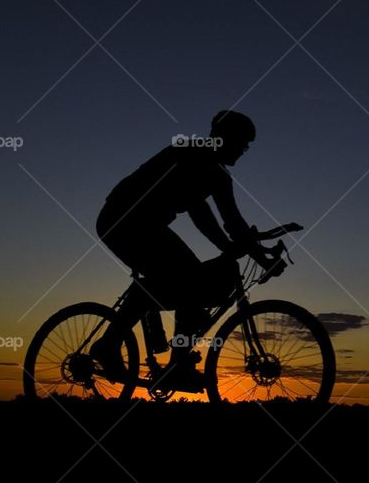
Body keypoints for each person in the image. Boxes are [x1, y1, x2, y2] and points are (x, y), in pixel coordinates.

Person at [90, 110, 264, 391]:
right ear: (223, 138)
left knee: (184, 282)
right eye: (242, 144)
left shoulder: (220, 176)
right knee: (190, 279)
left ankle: (160, 348)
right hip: (124, 218)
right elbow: (200, 212)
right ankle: (161, 360)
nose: (243, 151)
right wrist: (230, 248)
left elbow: (233, 220)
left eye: (247, 147)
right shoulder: (191, 153)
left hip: (147, 225)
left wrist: (258, 252)